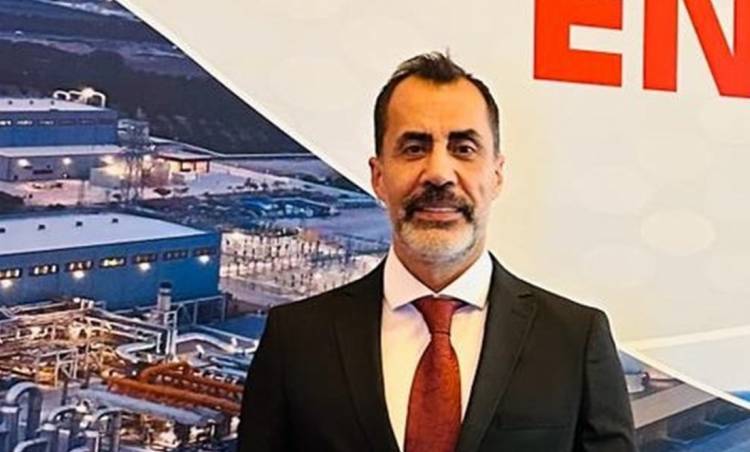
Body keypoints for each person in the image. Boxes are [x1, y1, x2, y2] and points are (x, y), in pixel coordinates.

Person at [237, 52, 636, 452]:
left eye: (464, 148)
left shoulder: (574, 340)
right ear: (379, 176)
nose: (439, 174)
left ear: (496, 174)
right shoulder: (296, 340)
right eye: (414, 148)